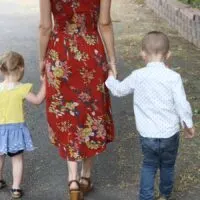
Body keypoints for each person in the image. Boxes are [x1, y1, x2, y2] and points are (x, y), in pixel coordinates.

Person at [39, 0, 116, 199]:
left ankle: (72, 180)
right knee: (90, 112)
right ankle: (85, 177)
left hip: (60, 53)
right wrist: (112, 61)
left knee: (66, 115)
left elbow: (45, 27)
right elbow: (105, 24)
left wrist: (42, 59)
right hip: (91, 53)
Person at [105, 31, 195, 200]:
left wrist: (110, 78)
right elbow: (182, 104)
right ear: (168, 55)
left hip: (147, 135)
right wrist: (188, 124)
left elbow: (118, 90)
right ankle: (165, 194)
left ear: (142, 54)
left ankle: (146, 197)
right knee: (168, 166)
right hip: (170, 134)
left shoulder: (138, 76)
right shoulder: (173, 77)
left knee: (149, 165)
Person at [0, 51, 45, 199]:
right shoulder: (21, 88)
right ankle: (15, 188)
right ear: (20, 68)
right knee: (17, 159)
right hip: (15, 130)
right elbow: (38, 100)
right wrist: (46, 83)